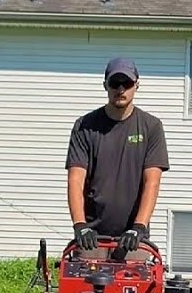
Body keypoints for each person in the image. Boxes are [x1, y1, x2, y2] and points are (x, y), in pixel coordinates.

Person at [66, 56, 170, 253]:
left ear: (136, 85)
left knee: (134, 283)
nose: (120, 89)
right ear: (105, 85)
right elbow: (75, 179)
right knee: (82, 282)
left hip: (133, 238)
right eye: (115, 83)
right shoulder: (85, 126)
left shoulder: (151, 127)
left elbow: (152, 182)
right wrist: (80, 225)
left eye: (127, 83)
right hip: (92, 236)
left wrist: (139, 227)